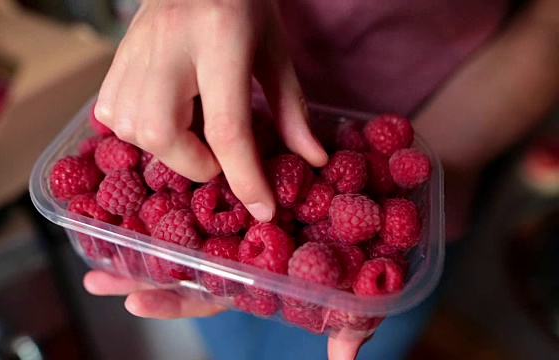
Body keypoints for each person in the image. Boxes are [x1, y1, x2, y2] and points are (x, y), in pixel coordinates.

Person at [82, 0, 559, 358]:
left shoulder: (388, 203)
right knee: (228, 340)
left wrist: (431, 163)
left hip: (436, 136)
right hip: (203, 107)